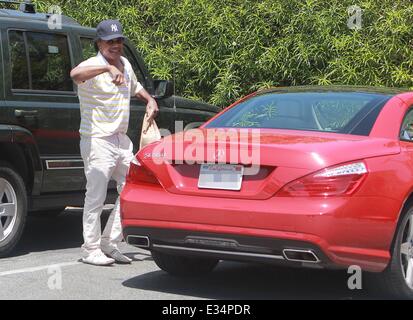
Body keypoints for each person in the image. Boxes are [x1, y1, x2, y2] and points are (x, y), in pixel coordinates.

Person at [70, 19, 159, 266]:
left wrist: (149, 100)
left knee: (133, 187)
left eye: (118, 40)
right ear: (99, 43)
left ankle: (109, 242)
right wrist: (106, 69)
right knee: (96, 196)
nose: (115, 45)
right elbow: (74, 74)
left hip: (121, 140)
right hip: (97, 139)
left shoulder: (126, 64)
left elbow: (135, 87)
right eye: (110, 41)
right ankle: (90, 249)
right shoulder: (93, 65)